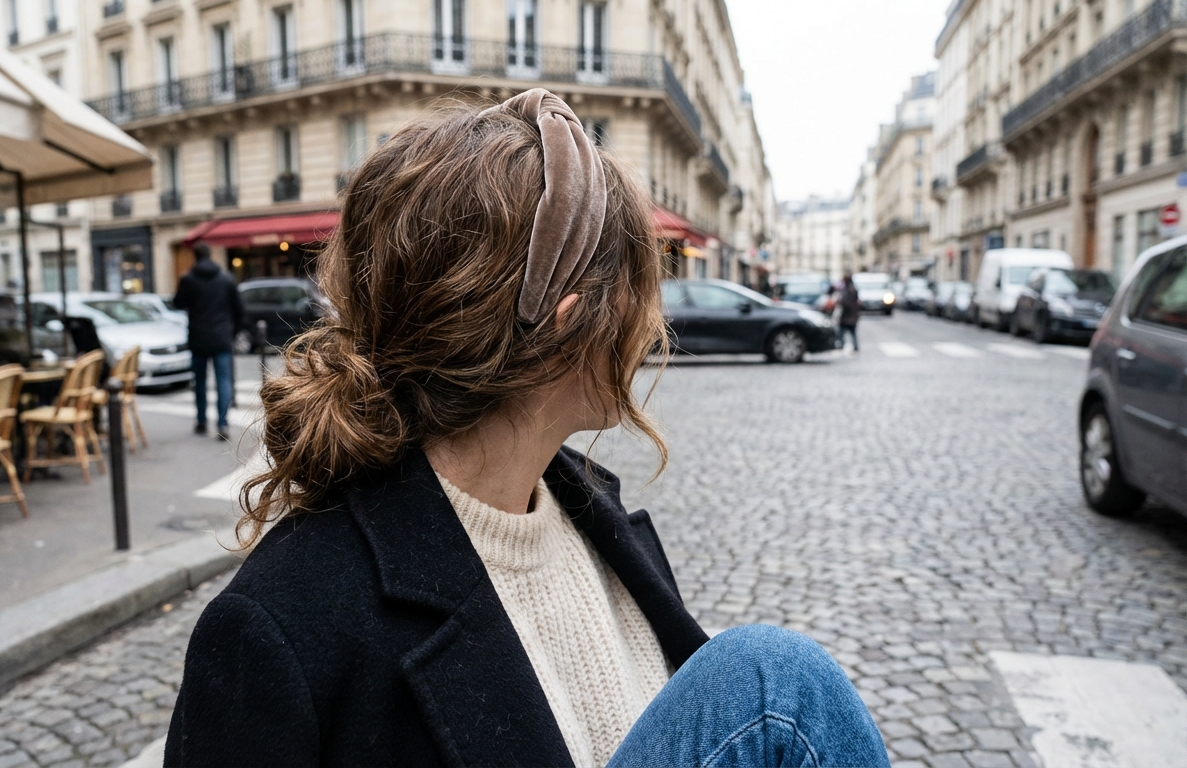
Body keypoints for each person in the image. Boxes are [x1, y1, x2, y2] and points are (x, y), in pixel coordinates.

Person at [165, 90, 888, 768]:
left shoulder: (593, 508)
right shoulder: (277, 626)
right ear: (568, 325)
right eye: (642, 290)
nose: (653, 325)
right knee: (775, 682)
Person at [172, 244, 244, 440]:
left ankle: (202, 421)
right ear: (210, 255)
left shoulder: (188, 279)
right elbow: (239, 310)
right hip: (222, 337)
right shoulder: (226, 279)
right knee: (223, 381)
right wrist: (232, 332)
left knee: (200, 382)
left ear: (194, 257)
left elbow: (178, 302)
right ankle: (223, 423)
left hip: (198, 337)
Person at [838, 273, 862, 352]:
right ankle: (855, 345)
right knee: (852, 332)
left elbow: (845, 302)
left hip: (846, 315)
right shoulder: (853, 288)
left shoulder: (847, 290)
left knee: (841, 331)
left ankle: (841, 344)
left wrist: (840, 303)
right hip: (852, 315)